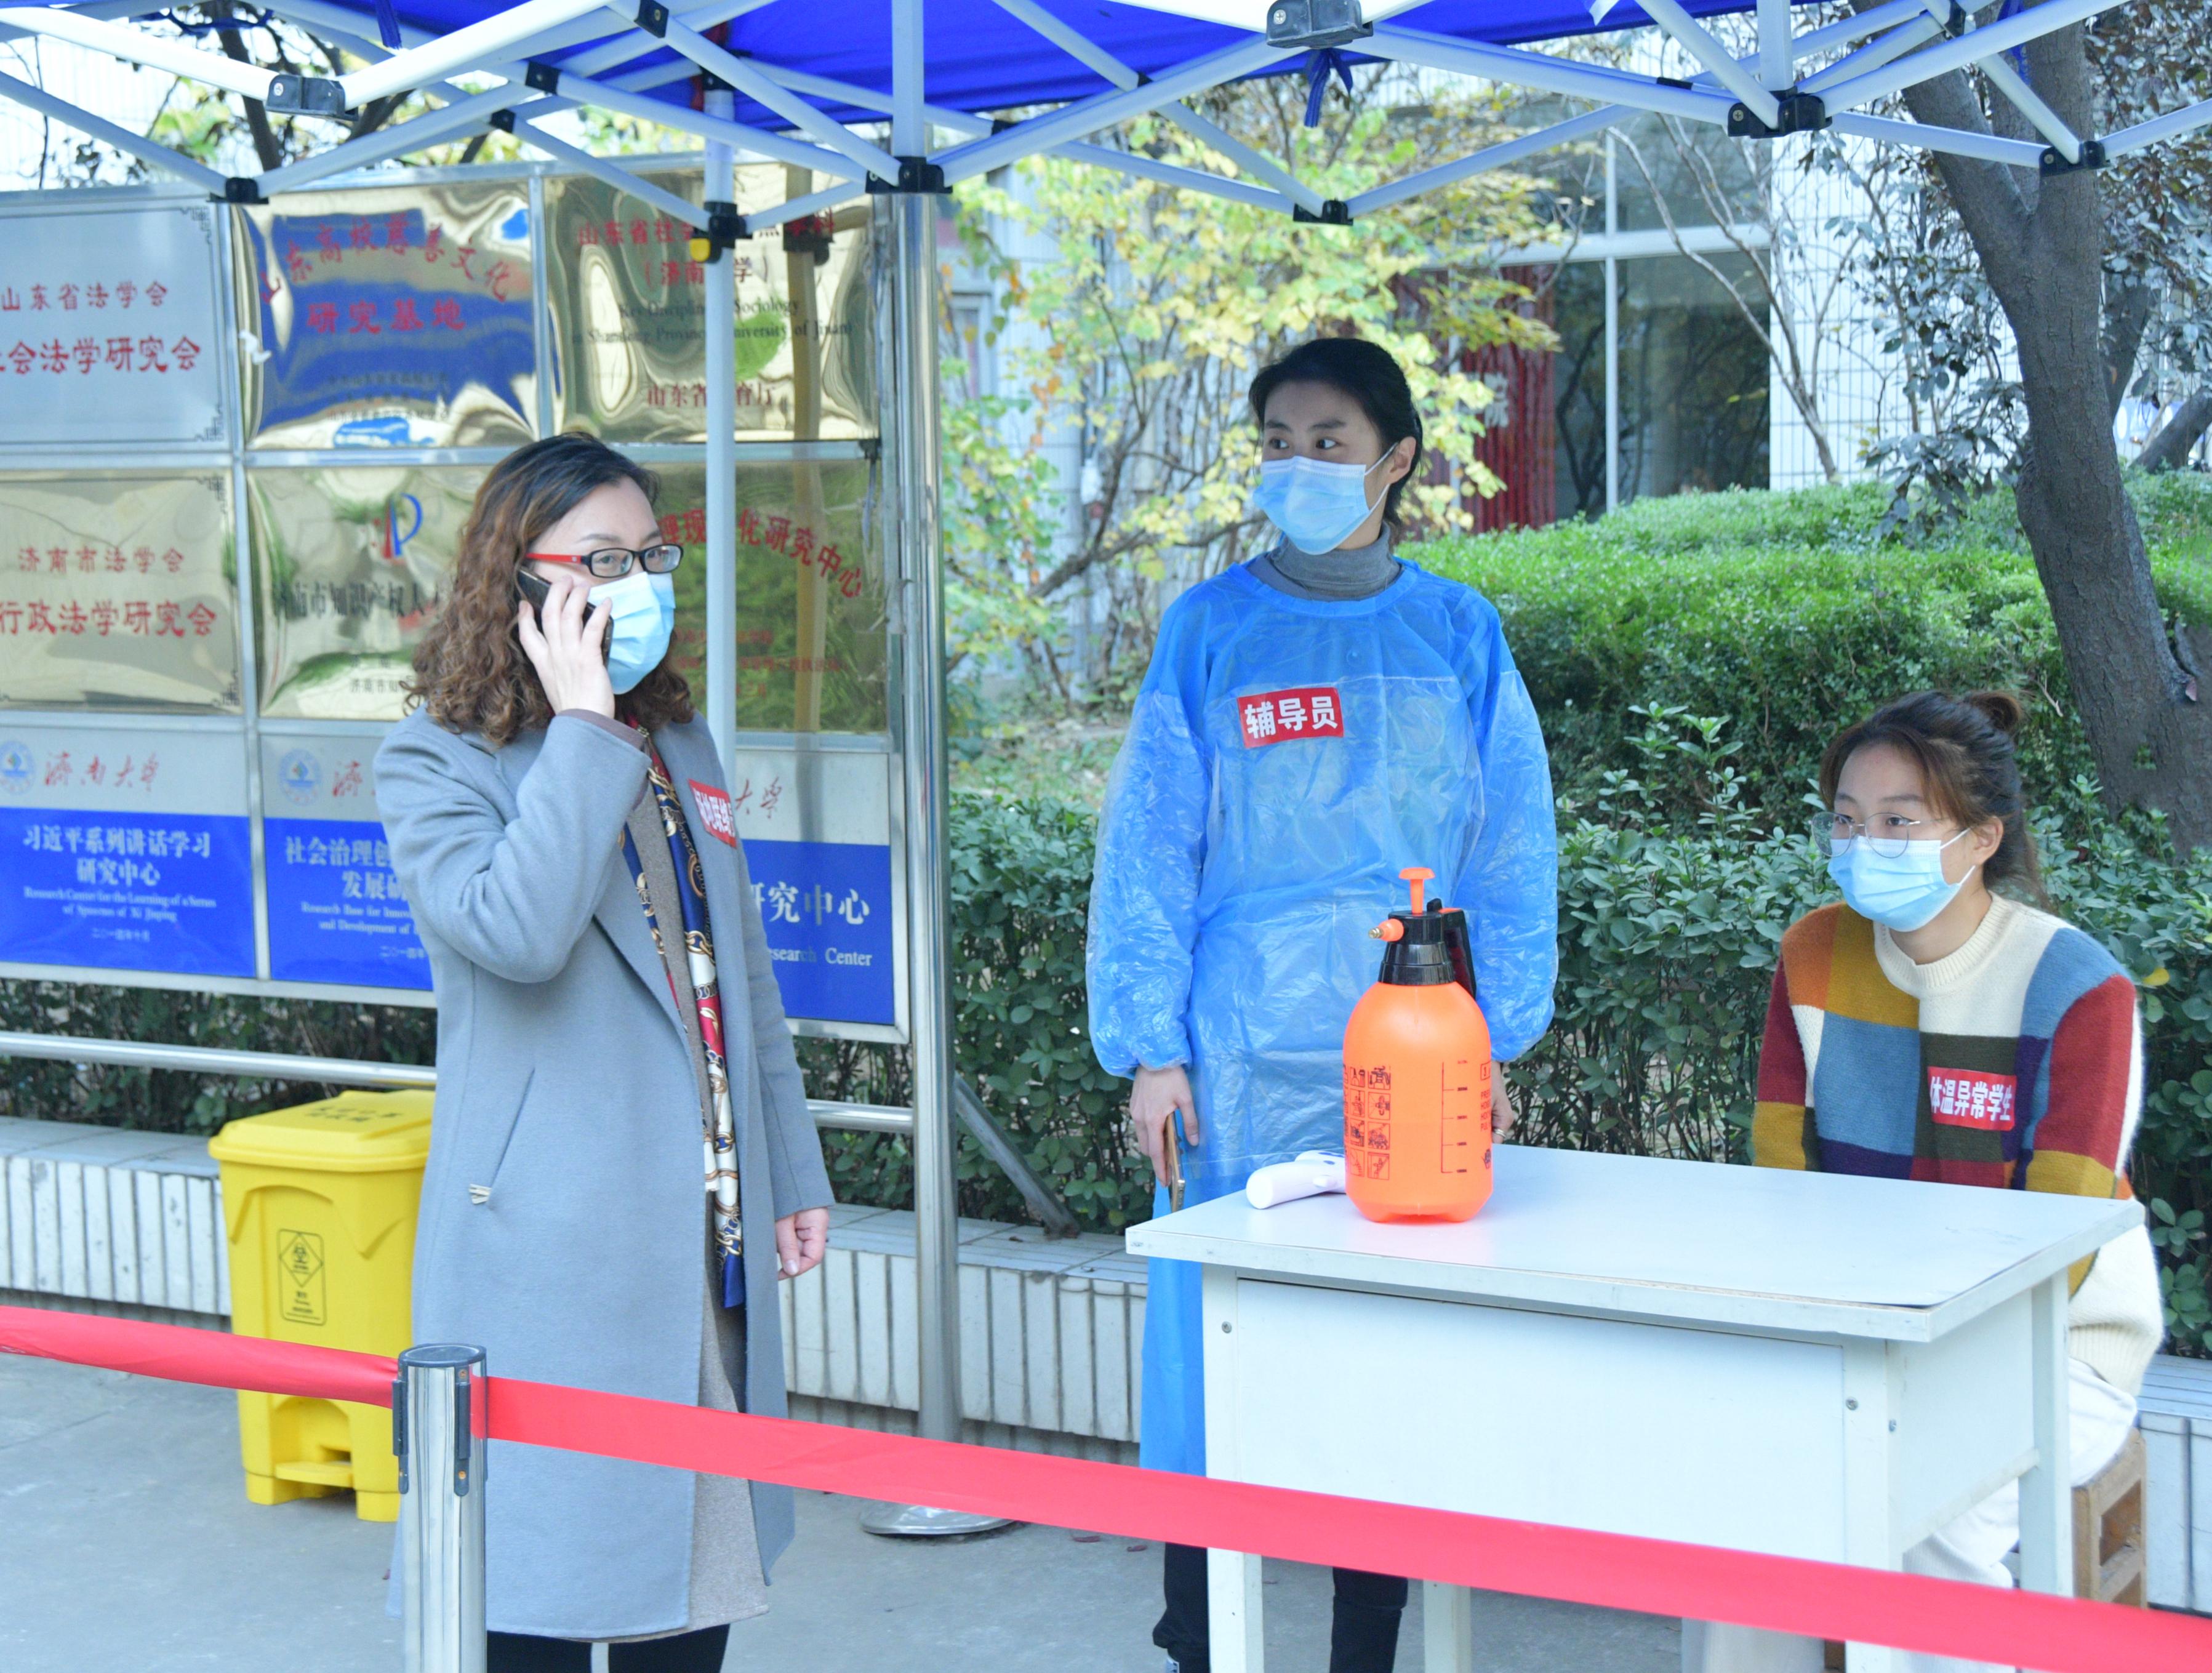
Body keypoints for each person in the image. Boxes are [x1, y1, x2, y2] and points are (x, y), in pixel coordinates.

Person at [1088, 337, 1560, 1673]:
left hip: (1413, 1051)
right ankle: (1197, 1639)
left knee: (1388, 1356)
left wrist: (1494, 1035)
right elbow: (1150, 847)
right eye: (1277, 441)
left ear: (1394, 459)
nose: (1296, 465)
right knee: (1210, 1353)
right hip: (1232, 1055)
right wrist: (1152, 1050)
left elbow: (1512, 849)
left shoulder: (1456, 633)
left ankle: (1365, 1649)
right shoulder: (1211, 631)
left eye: (1328, 441)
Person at [375, 433, 835, 1672]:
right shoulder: (436, 757)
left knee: (694, 1574)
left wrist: (790, 1169)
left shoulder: (677, 738)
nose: (633, 584)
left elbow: (739, 972)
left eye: (648, 555)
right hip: (549, 1248)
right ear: (516, 579)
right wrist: (581, 725)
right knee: (538, 1584)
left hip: (699, 1226)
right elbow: (516, 934)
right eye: (600, 559)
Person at [1685, 691, 2163, 1673]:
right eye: (1847, 819)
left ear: (1981, 837)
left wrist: (1910, 1352)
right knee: (1739, 1496)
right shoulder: (1813, 954)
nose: (1864, 844)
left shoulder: (2077, 987)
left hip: (2052, 1343)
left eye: (1898, 821)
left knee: (1926, 1502)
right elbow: (1783, 1182)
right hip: (1860, 1336)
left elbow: (2057, 1240)